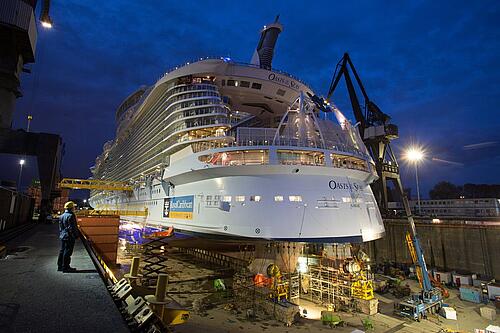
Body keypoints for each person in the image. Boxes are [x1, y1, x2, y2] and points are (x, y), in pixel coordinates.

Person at [57, 201, 79, 272]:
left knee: (62, 251)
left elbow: (60, 227)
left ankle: (60, 266)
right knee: (68, 252)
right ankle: (66, 267)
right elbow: (72, 228)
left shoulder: (62, 215)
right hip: (69, 236)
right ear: (71, 208)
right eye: (74, 207)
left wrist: (62, 234)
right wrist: (76, 236)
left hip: (63, 236)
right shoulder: (71, 215)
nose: (74, 208)